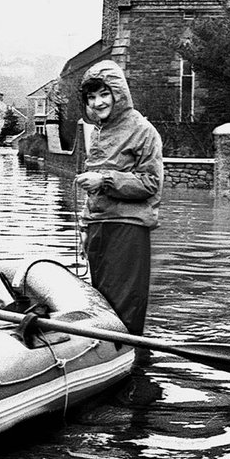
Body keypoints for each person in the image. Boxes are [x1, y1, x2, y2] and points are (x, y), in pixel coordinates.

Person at [73, 59, 163, 335]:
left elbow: (151, 183)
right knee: (101, 298)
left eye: (104, 94)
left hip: (128, 227)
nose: (98, 102)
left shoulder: (143, 130)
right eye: (91, 97)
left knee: (124, 303)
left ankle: (128, 354)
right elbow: (94, 192)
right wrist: (86, 227)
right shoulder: (99, 132)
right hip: (100, 226)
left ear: (118, 93)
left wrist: (104, 179)